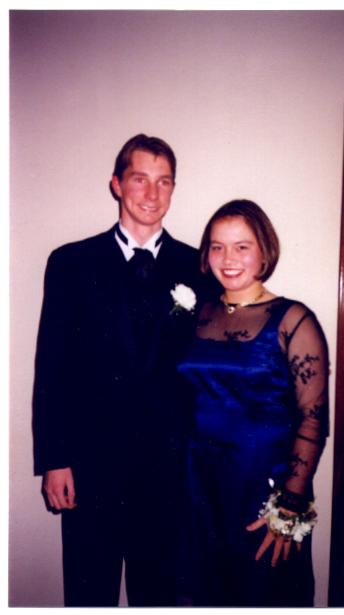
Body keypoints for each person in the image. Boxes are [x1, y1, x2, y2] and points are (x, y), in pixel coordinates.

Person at [32, 134, 215, 606]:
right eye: (140, 179)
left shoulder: (198, 268)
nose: (152, 193)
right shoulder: (71, 263)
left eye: (164, 181)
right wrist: (54, 459)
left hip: (168, 471)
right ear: (116, 184)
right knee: (88, 594)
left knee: (160, 596)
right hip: (90, 467)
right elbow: (51, 367)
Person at [177, 199, 329, 607]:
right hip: (198, 484)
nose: (228, 259)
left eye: (242, 247)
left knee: (261, 592)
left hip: (261, 487)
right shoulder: (198, 314)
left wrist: (290, 505)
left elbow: (313, 420)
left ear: (264, 251)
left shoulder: (294, 320)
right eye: (218, 247)